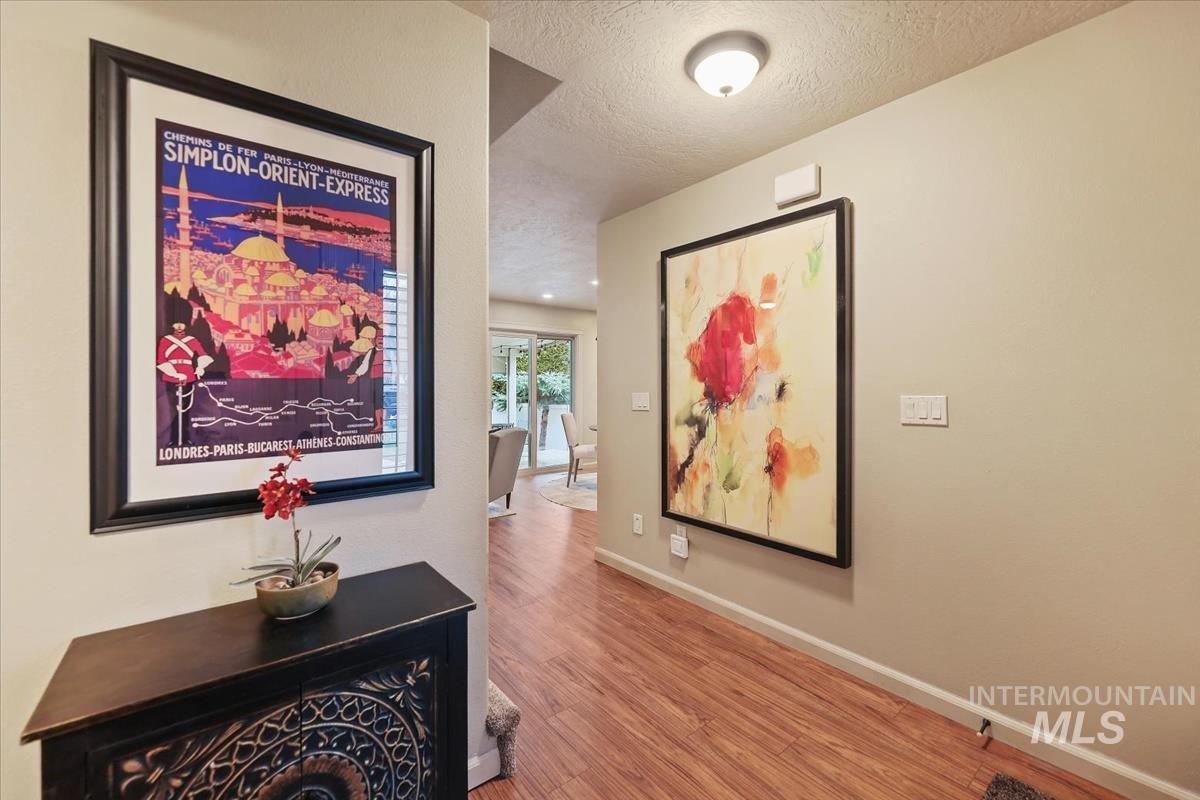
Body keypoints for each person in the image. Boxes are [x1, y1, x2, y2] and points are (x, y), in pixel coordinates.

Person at [156, 321, 213, 446]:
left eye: (181, 329)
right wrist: (174, 374)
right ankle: (173, 438)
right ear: (173, 329)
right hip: (171, 375)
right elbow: (161, 359)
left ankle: (185, 437)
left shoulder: (192, 340)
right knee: (172, 410)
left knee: (186, 410)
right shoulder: (166, 341)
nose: (180, 331)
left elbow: (203, 355)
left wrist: (200, 367)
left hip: (188, 375)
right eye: (177, 329)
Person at [347, 325, 384, 432]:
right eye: (378, 339)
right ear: (374, 341)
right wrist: (356, 375)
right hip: (375, 380)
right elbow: (364, 365)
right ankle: (378, 424)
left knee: (385, 402)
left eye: (382, 339)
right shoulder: (371, 352)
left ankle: (386, 423)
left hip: (387, 380)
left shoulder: (390, 352)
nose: (380, 341)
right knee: (377, 403)